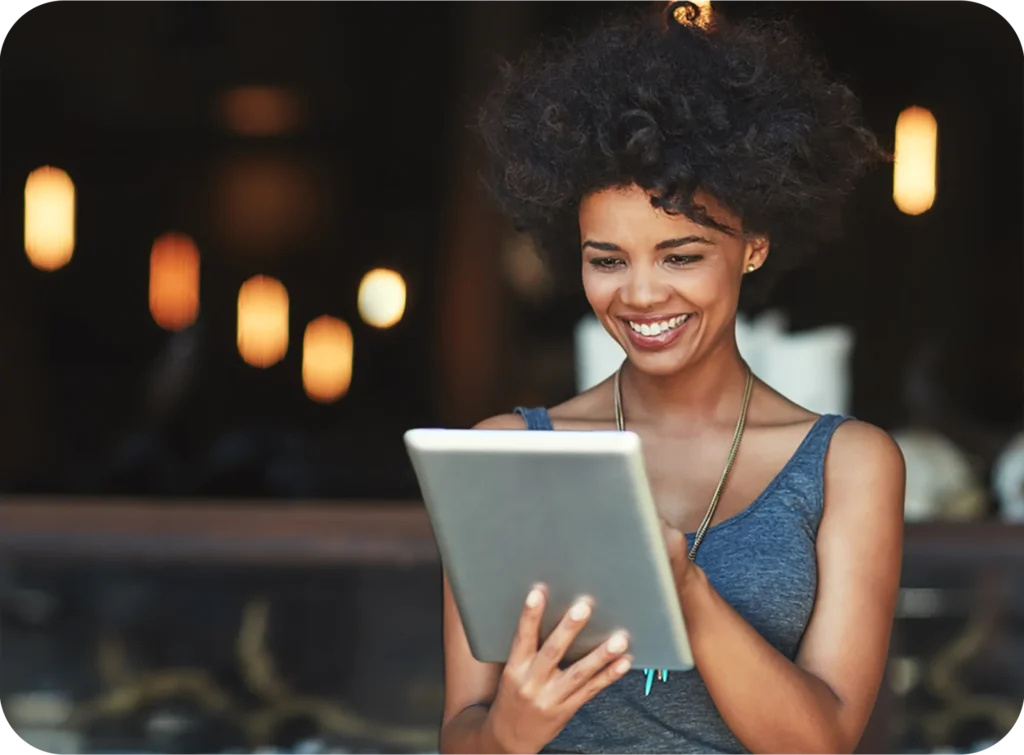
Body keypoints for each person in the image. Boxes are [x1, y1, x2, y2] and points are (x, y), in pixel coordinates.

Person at [439, 2, 905, 753]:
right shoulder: (513, 451)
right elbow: (462, 733)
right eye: (607, 259)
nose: (642, 295)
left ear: (752, 244)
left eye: (681, 255)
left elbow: (822, 742)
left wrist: (684, 591)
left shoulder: (847, 465)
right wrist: (508, 733)